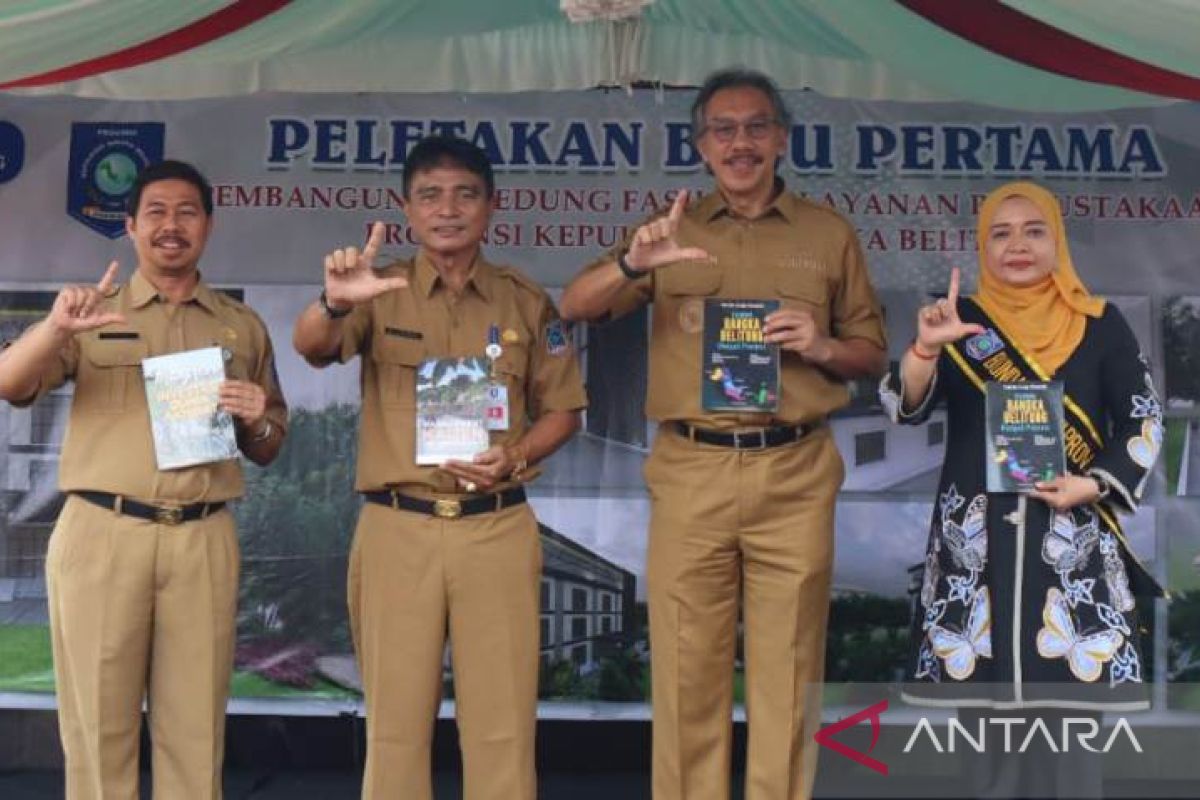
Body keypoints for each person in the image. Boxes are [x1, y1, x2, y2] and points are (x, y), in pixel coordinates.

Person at [560, 68, 887, 800]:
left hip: (794, 470)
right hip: (692, 469)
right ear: (701, 147)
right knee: (686, 668)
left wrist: (822, 345)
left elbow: (871, 352)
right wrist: (630, 263)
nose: (741, 143)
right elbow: (577, 304)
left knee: (791, 670)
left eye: (756, 127)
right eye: (723, 130)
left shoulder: (827, 234)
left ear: (781, 139)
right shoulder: (670, 231)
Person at [292, 135, 585, 800]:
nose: (447, 210)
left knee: (502, 724)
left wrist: (515, 453)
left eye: (464, 195)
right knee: (395, 725)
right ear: (406, 209)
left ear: (491, 207)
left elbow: (565, 412)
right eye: (430, 195)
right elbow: (313, 346)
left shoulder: (524, 301)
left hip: (496, 528)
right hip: (400, 529)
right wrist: (336, 301)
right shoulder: (378, 290)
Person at [0, 159, 288, 799]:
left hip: (202, 536)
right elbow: (10, 382)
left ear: (208, 226)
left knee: (195, 726)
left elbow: (269, 442)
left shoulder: (240, 326)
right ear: (129, 226)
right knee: (99, 728)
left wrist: (252, 419)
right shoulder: (90, 312)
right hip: (104, 532)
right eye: (155, 211)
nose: (171, 225)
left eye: (187, 211)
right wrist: (55, 327)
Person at [880, 181, 1163, 798]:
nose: (1017, 245)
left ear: (1056, 241)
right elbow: (904, 407)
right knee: (986, 750)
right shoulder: (961, 320)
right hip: (975, 554)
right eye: (1000, 233)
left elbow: (1143, 418)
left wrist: (1093, 483)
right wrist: (926, 348)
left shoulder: (1099, 323)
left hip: (1071, 552)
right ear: (982, 246)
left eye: (1034, 231)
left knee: (1073, 747)